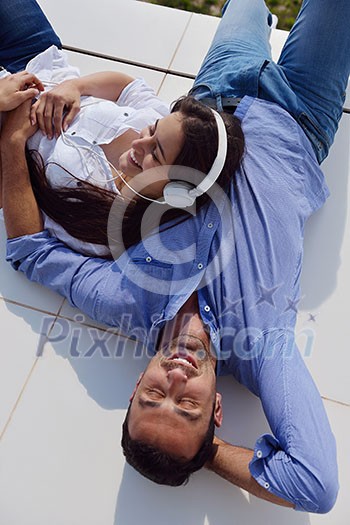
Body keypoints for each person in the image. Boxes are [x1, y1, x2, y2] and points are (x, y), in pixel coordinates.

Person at [1, 0, 350, 514]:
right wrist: (202, 453)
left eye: (152, 396)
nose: (176, 379)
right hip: (300, 119)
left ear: (138, 382)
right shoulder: (264, 349)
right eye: (187, 406)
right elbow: (315, 485)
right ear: (216, 410)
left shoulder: (123, 299)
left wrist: (11, 145)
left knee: (244, 5)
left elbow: (29, 251)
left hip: (214, 93)